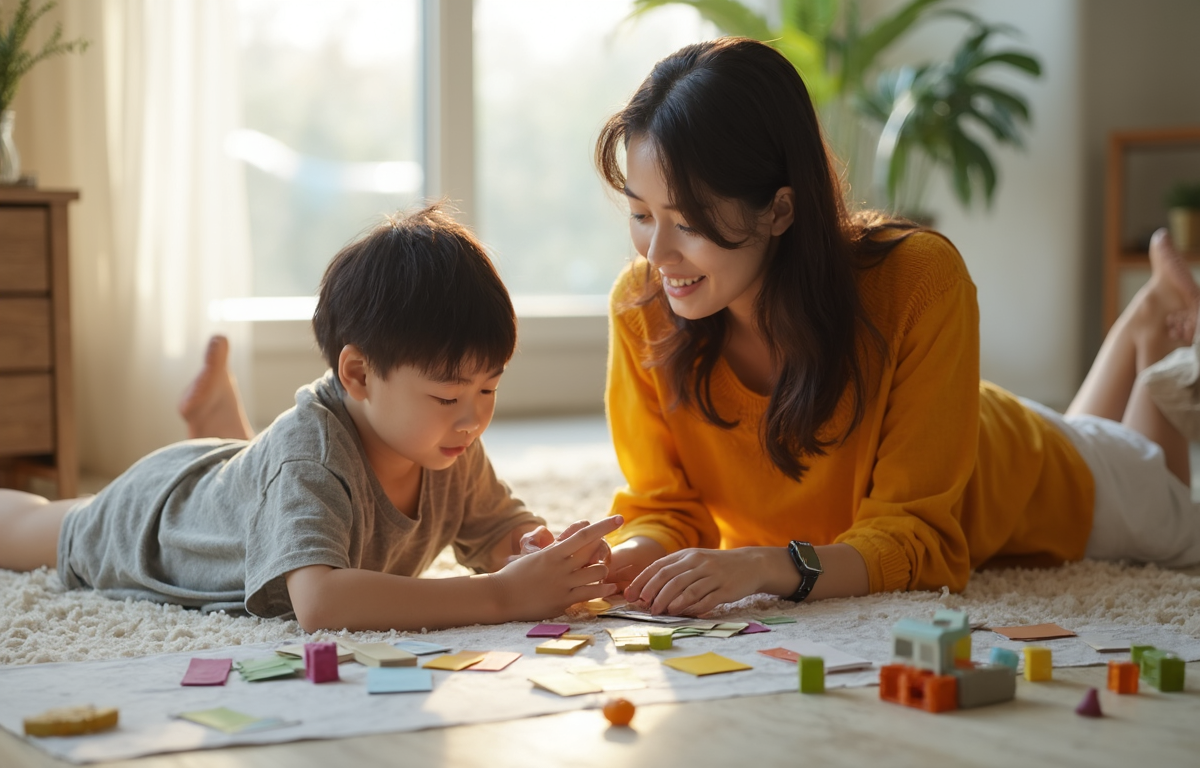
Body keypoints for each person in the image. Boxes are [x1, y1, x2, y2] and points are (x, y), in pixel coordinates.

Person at [594, 37, 1200, 616]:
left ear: (779, 208)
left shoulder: (918, 278)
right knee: (1110, 442)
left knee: (1176, 514)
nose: (658, 255)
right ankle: (1144, 322)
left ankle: (1155, 333)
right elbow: (667, 509)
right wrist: (609, 563)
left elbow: (916, 539)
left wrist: (764, 565)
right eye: (642, 214)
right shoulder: (642, 307)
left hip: (1034, 472)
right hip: (963, 429)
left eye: (689, 223)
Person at [0, 205, 620, 632]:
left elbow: (496, 525)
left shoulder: (448, 441)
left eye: (489, 389)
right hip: (153, 515)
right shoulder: (314, 457)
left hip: (256, 478)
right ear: (358, 376)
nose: (472, 418)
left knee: (272, 485)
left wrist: (529, 549)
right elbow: (320, 602)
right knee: (39, 525)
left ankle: (229, 428)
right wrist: (502, 594)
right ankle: (228, 436)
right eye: (447, 396)